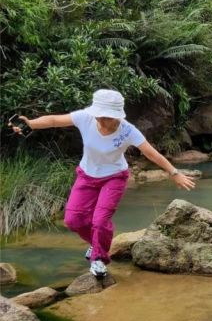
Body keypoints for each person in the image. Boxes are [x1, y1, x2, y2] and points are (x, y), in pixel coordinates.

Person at [9, 89, 196, 278]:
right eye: (98, 115)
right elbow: (54, 120)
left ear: (117, 116)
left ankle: (98, 259)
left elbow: (150, 153)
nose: (100, 120)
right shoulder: (86, 118)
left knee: (99, 221)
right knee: (73, 220)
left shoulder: (128, 131)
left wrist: (174, 172)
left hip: (114, 177)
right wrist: (31, 124)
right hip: (86, 175)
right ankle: (97, 244)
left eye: (106, 117)